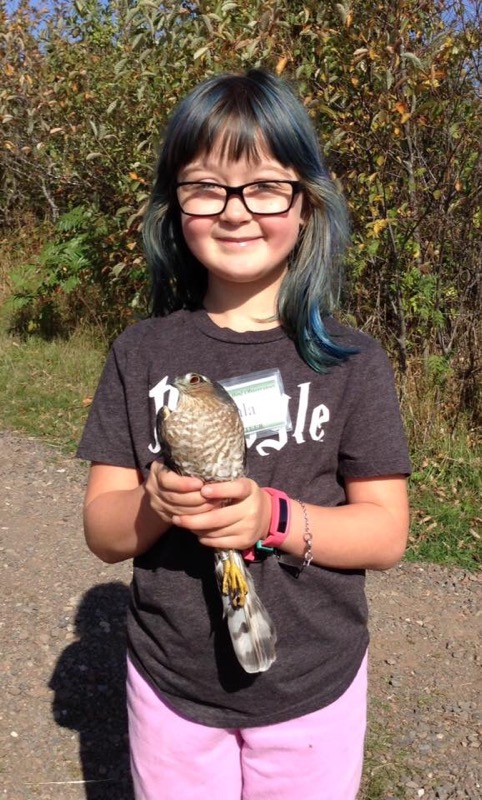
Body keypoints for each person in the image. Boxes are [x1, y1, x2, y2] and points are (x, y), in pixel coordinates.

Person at [77, 68, 411, 800]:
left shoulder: (352, 362)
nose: (235, 212)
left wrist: (273, 517)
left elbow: (385, 534)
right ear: (175, 205)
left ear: (307, 202)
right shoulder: (142, 352)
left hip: (312, 688)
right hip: (172, 684)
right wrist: (158, 503)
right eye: (205, 186)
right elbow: (103, 529)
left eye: (265, 186)